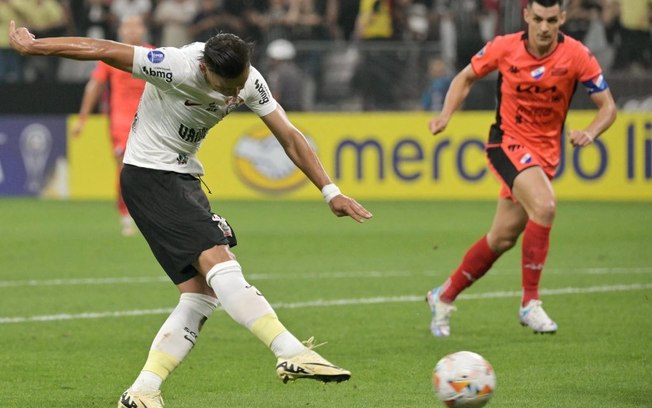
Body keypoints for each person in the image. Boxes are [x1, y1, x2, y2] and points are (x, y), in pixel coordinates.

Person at [8, 20, 373, 408]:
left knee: (200, 296)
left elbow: (289, 136)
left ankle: (143, 391)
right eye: (225, 86)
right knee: (221, 262)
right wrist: (38, 47)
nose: (234, 94)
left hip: (183, 179)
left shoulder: (248, 78)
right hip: (151, 177)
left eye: (239, 84)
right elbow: (102, 48)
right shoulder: (175, 64)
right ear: (204, 70)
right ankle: (291, 351)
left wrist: (330, 190)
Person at [425, 0, 617, 337]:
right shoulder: (504, 47)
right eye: (539, 19)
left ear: (563, 19)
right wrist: (445, 114)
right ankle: (530, 303)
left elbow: (608, 107)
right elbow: (466, 77)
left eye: (552, 20)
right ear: (527, 15)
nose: (544, 28)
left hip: (545, 155)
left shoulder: (577, 55)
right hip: (506, 143)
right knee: (545, 205)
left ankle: (443, 296)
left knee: (501, 238)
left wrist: (591, 131)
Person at [71, 14, 151, 236]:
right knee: (125, 168)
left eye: (136, 25)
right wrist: (82, 118)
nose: (132, 30)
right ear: (121, 30)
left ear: (143, 30)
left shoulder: (153, 55)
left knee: (152, 170)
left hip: (151, 121)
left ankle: (150, 213)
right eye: (128, 26)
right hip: (121, 122)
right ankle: (126, 214)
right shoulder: (111, 54)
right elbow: (94, 85)